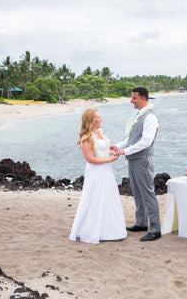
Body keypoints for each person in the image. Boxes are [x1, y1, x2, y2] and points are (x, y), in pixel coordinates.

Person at [69, 108, 127, 244]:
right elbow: (90, 158)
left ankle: (110, 229)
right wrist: (108, 160)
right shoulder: (86, 137)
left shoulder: (100, 133)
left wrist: (111, 152)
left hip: (107, 171)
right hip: (96, 172)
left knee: (109, 197)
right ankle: (92, 230)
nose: (101, 119)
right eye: (98, 117)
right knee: (95, 198)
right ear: (92, 120)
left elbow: (102, 150)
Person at [110, 87, 161, 242]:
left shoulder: (150, 118)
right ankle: (140, 223)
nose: (131, 101)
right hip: (133, 160)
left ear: (143, 98)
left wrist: (125, 151)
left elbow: (145, 141)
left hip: (143, 161)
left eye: (134, 98)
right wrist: (118, 147)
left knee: (147, 194)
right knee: (137, 193)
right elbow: (131, 139)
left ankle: (155, 229)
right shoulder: (139, 116)